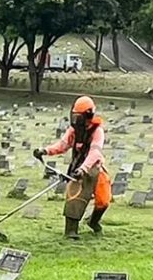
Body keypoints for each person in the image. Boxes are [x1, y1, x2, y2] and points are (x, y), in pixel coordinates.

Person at [34, 95, 111, 240]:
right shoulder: (73, 130)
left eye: (79, 117)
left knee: (103, 200)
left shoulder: (97, 131)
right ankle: (71, 231)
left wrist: (84, 169)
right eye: (74, 117)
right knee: (75, 197)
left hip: (94, 167)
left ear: (88, 115)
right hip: (77, 168)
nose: (76, 121)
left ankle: (93, 222)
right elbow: (62, 145)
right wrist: (45, 150)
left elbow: (95, 152)